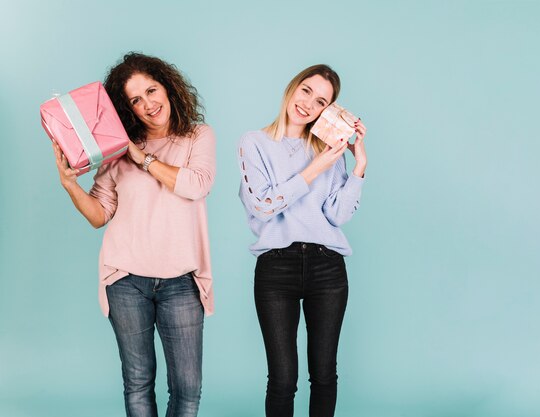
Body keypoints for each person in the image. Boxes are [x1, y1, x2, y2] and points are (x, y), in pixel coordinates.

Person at [52, 52, 216, 417]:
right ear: (127, 110)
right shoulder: (115, 151)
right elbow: (100, 214)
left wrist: (139, 156)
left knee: (187, 389)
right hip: (126, 279)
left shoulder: (197, 137)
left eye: (152, 90)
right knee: (139, 381)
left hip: (182, 281)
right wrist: (70, 186)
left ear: (169, 88)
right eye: (135, 100)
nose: (148, 104)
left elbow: (195, 185)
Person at [237, 64, 367, 417]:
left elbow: (337, 215)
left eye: (321, 101)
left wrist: (358, 166)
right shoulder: (255, 143)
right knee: (282, 378)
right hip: (276, 269)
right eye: (306, 90)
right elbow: (263, 206)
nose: (309, 103)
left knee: (324, 374)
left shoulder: (329, 149)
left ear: (328, 111)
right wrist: (316, 168)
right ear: (293, 88)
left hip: (328, 267)